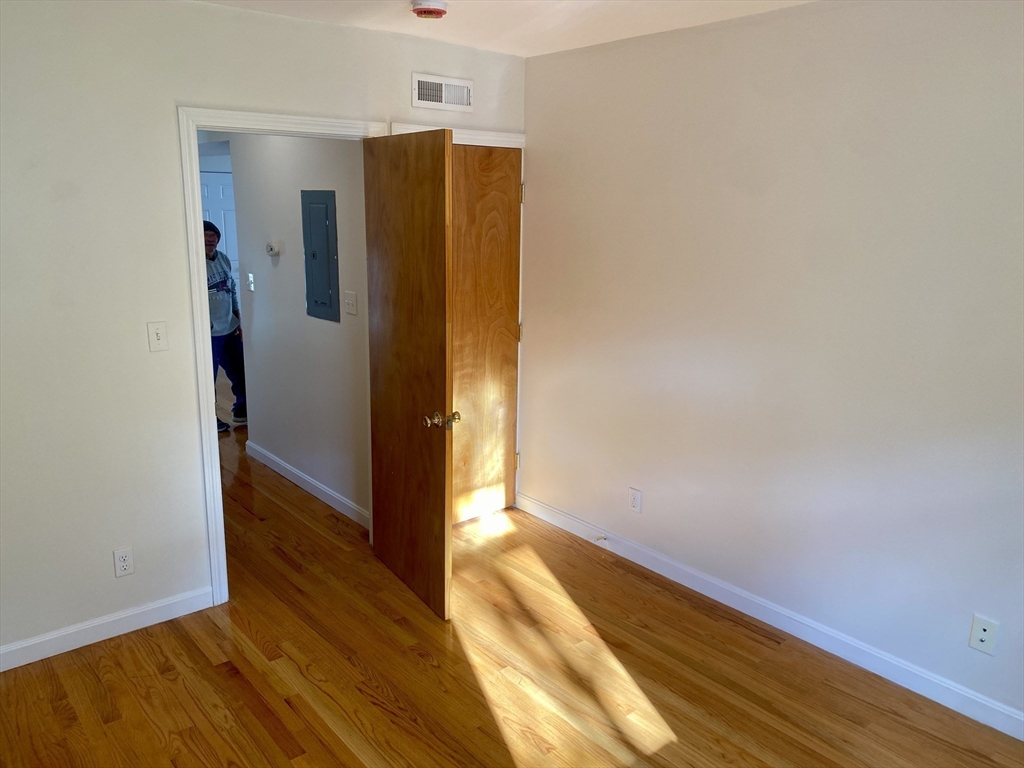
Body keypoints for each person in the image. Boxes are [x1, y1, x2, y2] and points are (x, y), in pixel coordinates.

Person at [204, 221, 247, 432]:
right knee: (208, 377)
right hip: (209, 331)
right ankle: (210, 419)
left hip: (229, 326)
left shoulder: (223, 259)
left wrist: (238, 317)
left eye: (214, 236)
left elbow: (232, 289)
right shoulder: (194, 264)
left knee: (240, 369)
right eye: (206, 235)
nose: (210, 239)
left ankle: (242, 409)